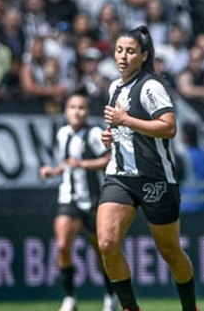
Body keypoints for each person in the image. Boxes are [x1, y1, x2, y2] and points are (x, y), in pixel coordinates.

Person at [98, 25, 199, 311]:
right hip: (119, 177)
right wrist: (111, 135)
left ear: (143, 56)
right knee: (106, 243)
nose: (123, 57)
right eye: (119, 50)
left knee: (170, 250)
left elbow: (168, 127)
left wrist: (125, 121)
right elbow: (121, 127)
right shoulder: (113, 87)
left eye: (130, 51)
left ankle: (190, 308)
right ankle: (131, 308)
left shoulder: (151, 86)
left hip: (155, 178)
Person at [39, 91, 118, 311]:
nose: (77, 112)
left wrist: (83, 165)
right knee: (63, 245)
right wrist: (54, 171)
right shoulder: (62, 133)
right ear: (65, 111)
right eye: (72, 107)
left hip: (93, 200)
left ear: (87, 111)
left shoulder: (94, 133)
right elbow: (67, 162)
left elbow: (110, 159)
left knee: (102, 250)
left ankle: (110, 295)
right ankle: (69, 298)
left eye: (81, 107)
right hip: (69, 198)